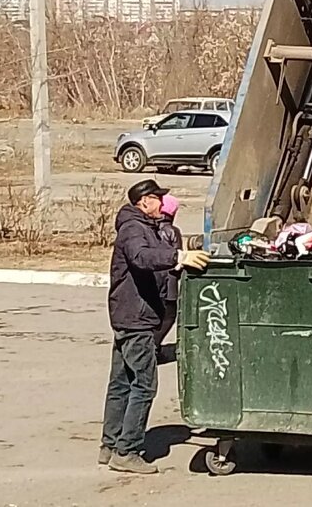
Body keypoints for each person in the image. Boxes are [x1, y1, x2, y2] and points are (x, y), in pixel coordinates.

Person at [100, 179, 210, 474]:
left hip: (128, 315)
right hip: (136, 318)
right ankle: (127, 450)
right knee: (144, 386)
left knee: (121, 383)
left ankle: (110, 445)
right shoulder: (134, 229)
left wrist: (174, 264)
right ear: (145, 201)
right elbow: (141, 257)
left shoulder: (139, 226)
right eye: (158, 199)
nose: (163, 204)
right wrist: (178, 256)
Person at [154, 194, 182, 363]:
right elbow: (177, 257)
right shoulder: (172, 231)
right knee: (169, 316)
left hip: (154, 281)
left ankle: (152, 346)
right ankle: (154, 346)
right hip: (169, 282)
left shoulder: (149, 229)